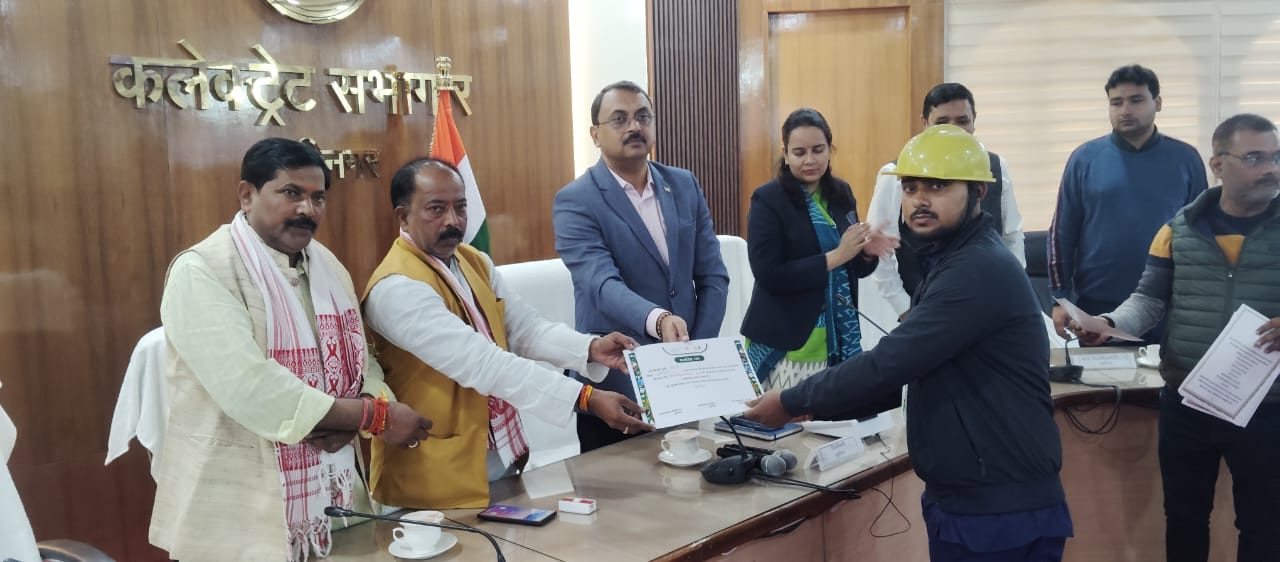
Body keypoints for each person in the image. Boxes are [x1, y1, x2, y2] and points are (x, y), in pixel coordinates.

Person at [744, 125, 1073, 561]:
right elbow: (908, 367)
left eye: (938, 186)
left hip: (997, 509)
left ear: (978, 192)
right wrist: (812, 405)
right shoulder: (952, 259)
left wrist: (790, 401)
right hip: (977, 496)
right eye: (911, 187)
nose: (919, 199)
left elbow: (893, 361)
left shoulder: (975, 270)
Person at [151, 138, 433, 562]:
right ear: (247, 195)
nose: (308, 209)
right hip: (243, 504)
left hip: (336, 491)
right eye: (291, 193)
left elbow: (362, 361)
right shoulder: (203, 270)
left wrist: (367, 404)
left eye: (318, 197)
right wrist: (370, 416)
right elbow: (250, 388)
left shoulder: (327, 266)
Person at [363, 158, 652, 509]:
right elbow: (484, 364)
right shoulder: (396, 288)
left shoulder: (472, 261)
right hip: (428, 473)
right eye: (436, 209)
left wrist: (591, 348)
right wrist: (586, 398)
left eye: (460, 207)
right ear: (403, 216)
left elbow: (524, 329)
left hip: (494, 455)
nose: (453, 220)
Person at [1073, 114, 1280, 562]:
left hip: (1267, 408)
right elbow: (1149, 300)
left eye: (1275, 157)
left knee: (1265, 526)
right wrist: (1108, 322)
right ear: (1218, 164)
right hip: (1188, 403)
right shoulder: (1178, 230)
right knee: (1184, 519)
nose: (1270, 169)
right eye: (1254, 158)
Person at [553, 80, 730, 452]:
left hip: (684, 381)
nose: (634, 126)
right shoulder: (576, 200)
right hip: (617, 389)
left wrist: (694, 354)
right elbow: (602, 284)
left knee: (688, 481)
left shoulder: (683, 184)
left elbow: (713, 276)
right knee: (619, 488)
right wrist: (659, 319)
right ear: (595, 134)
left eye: (643, 116)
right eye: (619, 119)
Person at [1048, 64, 1208, 343]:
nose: (1125, 110)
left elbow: (1201, 234)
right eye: (1116, 102)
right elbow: (1062, 233)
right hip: (1096, 305)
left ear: (1157, 103)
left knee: (1166, 373)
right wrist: (1060, 298)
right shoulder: (1084, 159)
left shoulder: (1186, 159)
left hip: (1167, 305)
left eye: (1136, 100)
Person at [740, 108, 895, 390]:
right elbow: (769, 274)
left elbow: (852, 270)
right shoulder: (768, 199)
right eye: (799, 152)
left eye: (818, 150)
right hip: (787, 339)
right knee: (786, 416)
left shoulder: (841, 193)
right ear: (786, 154)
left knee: (834, 415)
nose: (810, 160)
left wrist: (866, 251)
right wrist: (836, 256)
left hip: (837, 334)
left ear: (830, 150)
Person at [867, 83, 1025, 320]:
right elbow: (881, 248)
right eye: (942, 123)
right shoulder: (896, 172)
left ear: (974, 121)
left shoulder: (995, 166)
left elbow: (1012, 236)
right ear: (925, 123)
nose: (954, 131)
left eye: (962, 121)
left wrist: (1013, 292)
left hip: (989, 305)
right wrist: (905, 309)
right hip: (926, 307)